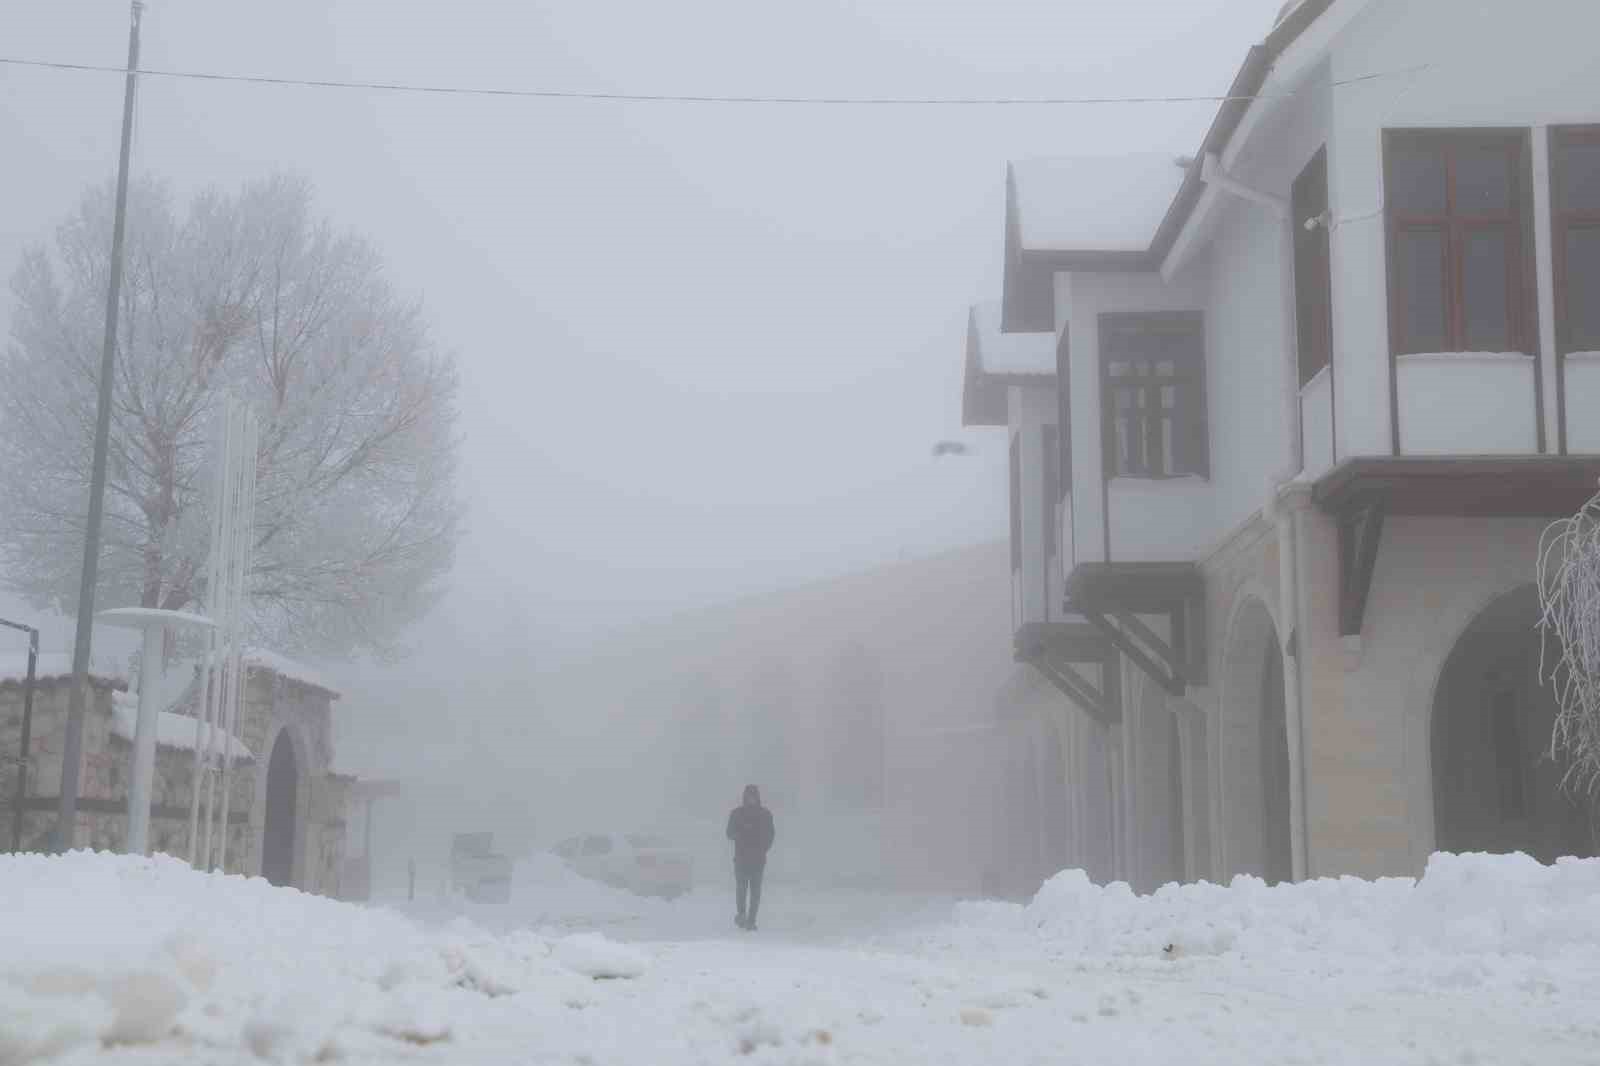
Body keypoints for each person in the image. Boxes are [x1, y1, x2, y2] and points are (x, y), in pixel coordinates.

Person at [725, 784, 775, 931]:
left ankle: (751, 920)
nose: (751, 799)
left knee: (755, 891)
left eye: (753, 796)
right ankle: (741, 915)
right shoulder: (737, 814)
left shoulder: (765, 815)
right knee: (741, 889)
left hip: (758, 859)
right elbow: (729, 833)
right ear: (745, 797)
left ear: (757, 797)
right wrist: (739, 835)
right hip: (741, 858)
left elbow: (771, 835)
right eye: (749, 796)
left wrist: (763, 848)